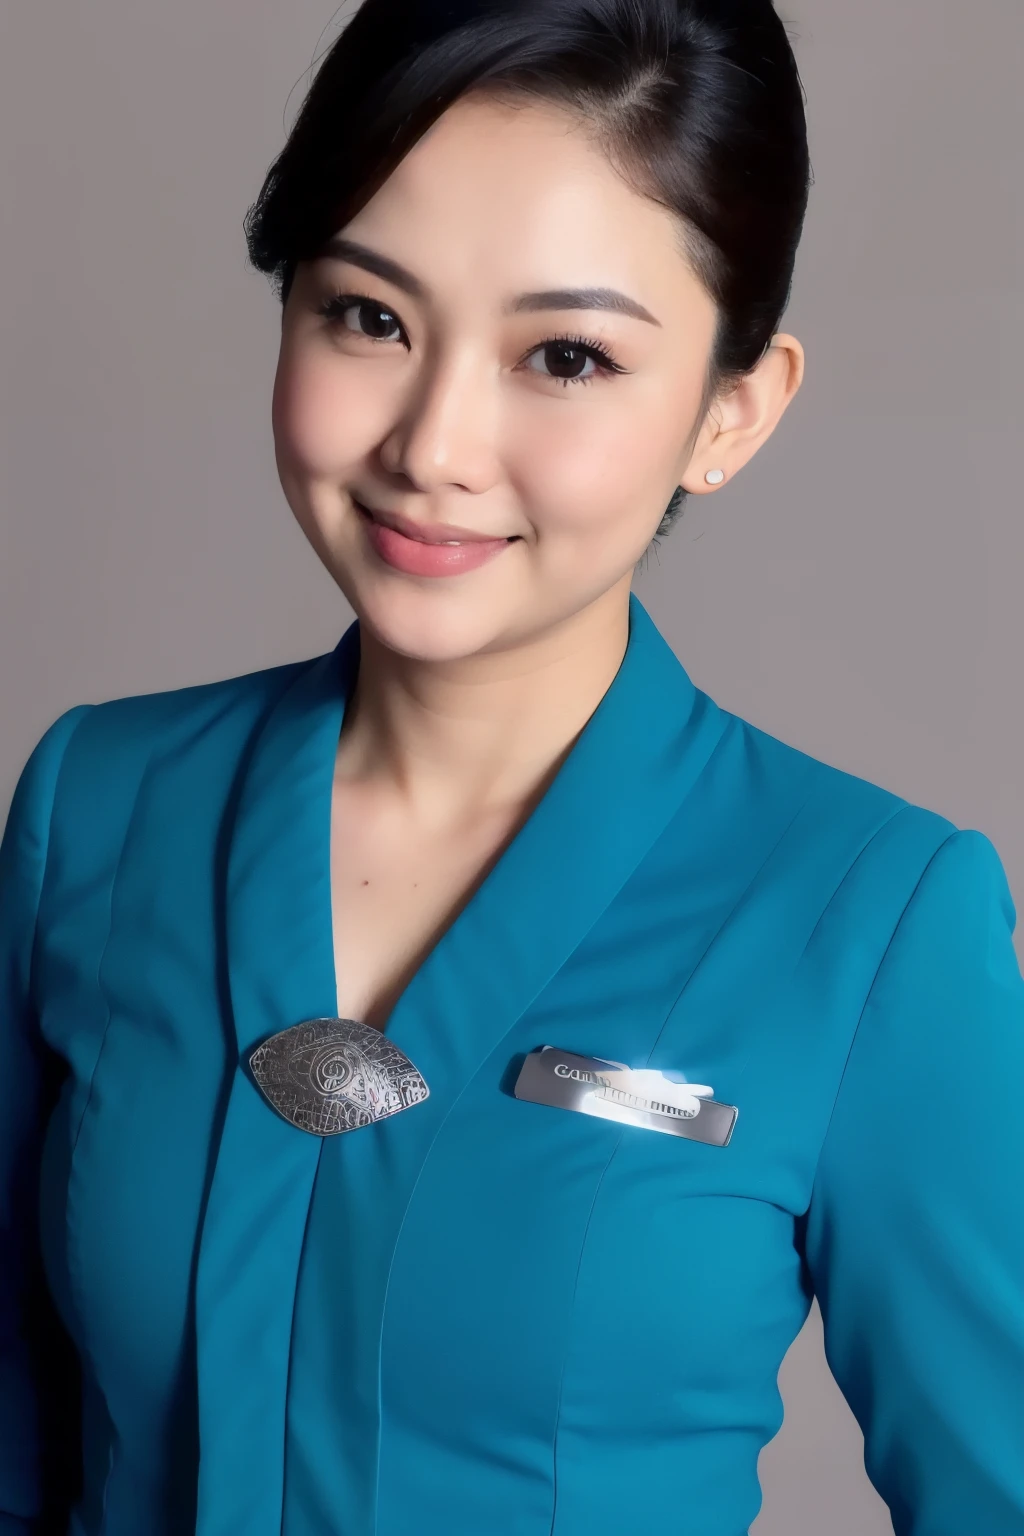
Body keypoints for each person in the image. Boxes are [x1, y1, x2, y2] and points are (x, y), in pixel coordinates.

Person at [1, 1, 1021, 1532]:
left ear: (730, 413)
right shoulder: (102, 803)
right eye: (369, 316)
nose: (435, 444)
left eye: (565, 355)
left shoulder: (875, 919)